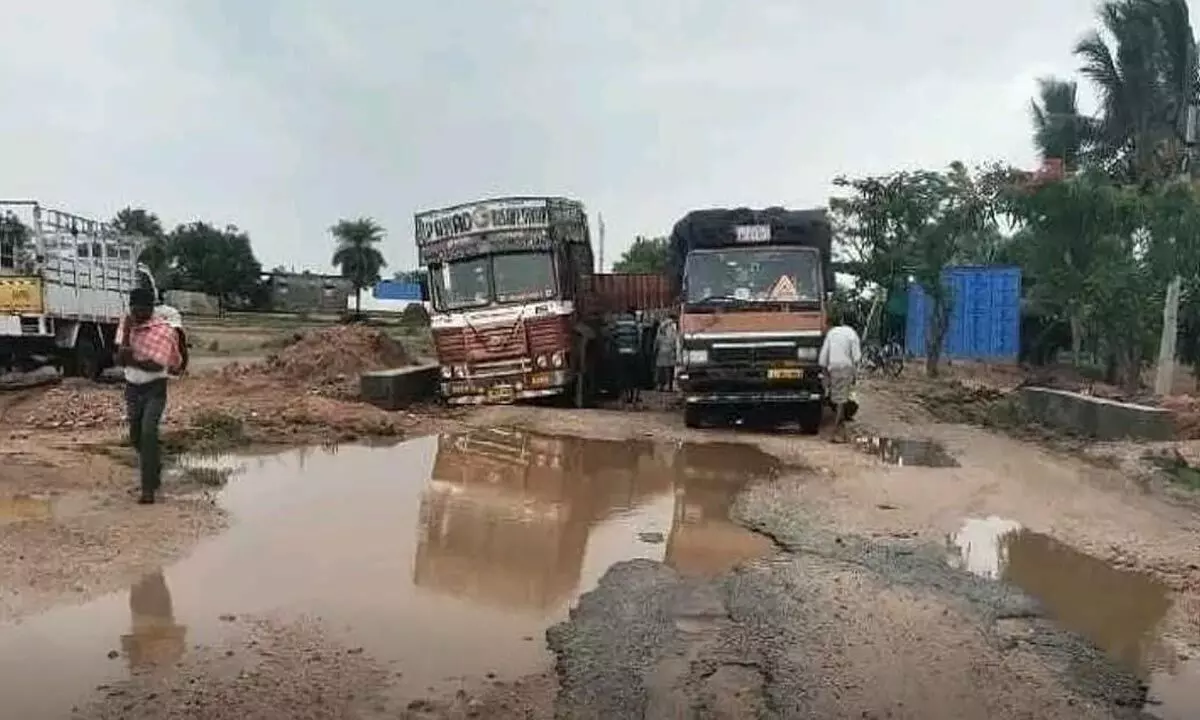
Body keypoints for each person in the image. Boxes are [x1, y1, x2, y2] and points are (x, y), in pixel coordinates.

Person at [116, 288, 184, 504]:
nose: (138, 315)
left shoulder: (163, 330)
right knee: (136, 437)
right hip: (132, 389)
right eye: (134, 310)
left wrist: (131, 359)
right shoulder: (127, 325)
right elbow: (119, 359)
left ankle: (148, 491)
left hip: (155, 389)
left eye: (143, 310)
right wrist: (127, 333)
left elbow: (156, 366)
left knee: (148, 433)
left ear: (151, 309)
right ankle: (154, 464)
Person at [818, 310, 862, 443]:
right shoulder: (852, 334)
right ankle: (836, 432)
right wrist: (855, 374)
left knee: (838, 400)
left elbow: (823, 358)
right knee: (841, 401)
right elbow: (857, 357)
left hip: (833, 368)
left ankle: (840, 432)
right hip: (845, 368)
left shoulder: (831, 334)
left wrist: (825, 375)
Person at [611, 306, 642, 404]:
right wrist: (637, 349)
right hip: (633, 352)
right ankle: (633, 397)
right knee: (633, 376)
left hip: (621, 352)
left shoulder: (618, 323)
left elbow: (614, 336)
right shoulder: (635, 323)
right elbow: (639, 338)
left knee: (622, 375)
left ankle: (624, 397)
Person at [654, 315, 678, 391]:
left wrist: (655, 350)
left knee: (661, 370)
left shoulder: (661, 326)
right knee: (670, 369)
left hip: (661, 351)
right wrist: (675, 350)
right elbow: (675, 339)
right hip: (670, 350)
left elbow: (657, 341)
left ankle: (661, 385)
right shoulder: (673, 327)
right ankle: (670, 385)